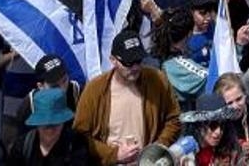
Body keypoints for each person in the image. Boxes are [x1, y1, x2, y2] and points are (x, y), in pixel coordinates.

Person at [73, 30, 182, 164]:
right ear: (113, 60)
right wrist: (114, 155)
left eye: (138, 61)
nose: (135, 67)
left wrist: (156, 149)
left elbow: (174, 119)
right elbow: (80, 135)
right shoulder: (95, 90)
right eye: (129, 63)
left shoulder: (157, 80)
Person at [8, 87, 90, 165]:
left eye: (55, 122)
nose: (50, 127)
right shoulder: (22, 146)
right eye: (45, 123)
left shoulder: (76, 144)